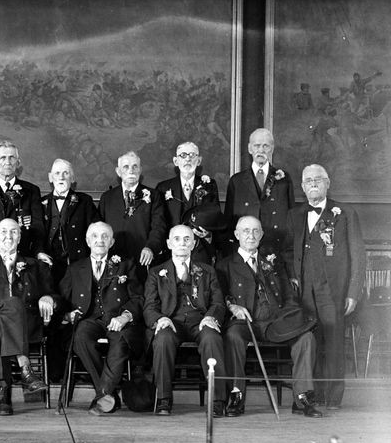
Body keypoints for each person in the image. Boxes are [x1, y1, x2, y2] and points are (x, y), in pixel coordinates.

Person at [216, 216, 322, 418]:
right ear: (237, 235)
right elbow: (219, 297)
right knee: (232, 337)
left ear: (262, 235)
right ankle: (236, 395)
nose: (251, 235)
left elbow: (289, 296)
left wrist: (291, 316)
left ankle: (302, 398)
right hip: (245, 322)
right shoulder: (225, 265)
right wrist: (233, 306)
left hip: (276, 321)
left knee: (306, 338)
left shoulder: (273, 262)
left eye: (256, 231)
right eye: (246, 231)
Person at [284, 164, 365, 409]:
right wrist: (293, 278)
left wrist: (353, 292)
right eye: (308, 181)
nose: (313, 184)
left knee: (333, 342)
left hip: (334, 290)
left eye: (318, 179)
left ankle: (333, 397)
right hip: (304, 291)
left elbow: (358, 255)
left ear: (328, 183)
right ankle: (311, 394)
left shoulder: (345, 213)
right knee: (310, 341)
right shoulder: (294, 215)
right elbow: (288, 251)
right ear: (302, 187)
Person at [0, 218, 56, 416]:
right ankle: (26, 369)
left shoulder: (35, 265)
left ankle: (3, 393)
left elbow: (55, 294)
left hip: (25, 324)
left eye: (14, 232)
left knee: (3, 322)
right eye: (3, 231)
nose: (8, 236)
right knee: (11, 303)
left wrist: (48, 297)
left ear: (20, 237)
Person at [59, 221, 144, 415]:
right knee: (80, 336)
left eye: (105, 236)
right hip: (89, 319)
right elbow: (62, 298)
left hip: (117, 319)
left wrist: (125, 316)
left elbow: (138, 297)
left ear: (112, 241)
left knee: (120, 341)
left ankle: (103, 396)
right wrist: (67, 314)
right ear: (88, 241)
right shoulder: (75, 268)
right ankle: (107, 393)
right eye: (95, 236)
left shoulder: (126, 265)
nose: (100, 240)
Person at [143, 224, 227, 417]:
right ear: (169, 243)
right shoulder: (156, 272)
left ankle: (217, 400)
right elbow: (149, 306)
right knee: (162, 339)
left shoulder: (208, 271)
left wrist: (210, 317)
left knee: (212, 338)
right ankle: (163, 399)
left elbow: (218, 302)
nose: (182, 243)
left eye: (187, 239)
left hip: (200, 321)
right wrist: (160, 319)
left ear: (194, 244)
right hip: (172, 322)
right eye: (177, 239)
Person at [224, 128, 294, 257]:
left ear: (272, 149)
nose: (261, 150)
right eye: (257, 146)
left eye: (265, 146)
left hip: (276, 247)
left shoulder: (284, 179)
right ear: (250, 149)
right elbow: (229, 220)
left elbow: (291, 216)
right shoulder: (237, 181)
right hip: (246, 249)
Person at [98, 150, 166, 282]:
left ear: (140, 170)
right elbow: (99, 228)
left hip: (142, 260)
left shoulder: (154, 196)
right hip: (113, 261)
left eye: (135, 166)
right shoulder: (107, 197)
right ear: (118, 171)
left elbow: (159, 227)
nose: (131, 170)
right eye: (126, 167)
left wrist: (150, 247)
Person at [40, 158, 98, 285]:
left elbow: (96, 231)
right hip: (49, 263)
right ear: (50, 178)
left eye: (66, 173)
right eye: (57, 173)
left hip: (77, 262)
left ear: (72, 178)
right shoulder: (41, 203)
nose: (61, 177)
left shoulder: (85, 201)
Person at [156, 141, 220, 228]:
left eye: (192, 155)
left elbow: (215, 218)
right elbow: (158, 223)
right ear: (175, 161)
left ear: (199, 161)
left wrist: (208, 235)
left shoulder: (209, 185)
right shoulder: (163, 188)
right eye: (183, 155)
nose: (188, 159)